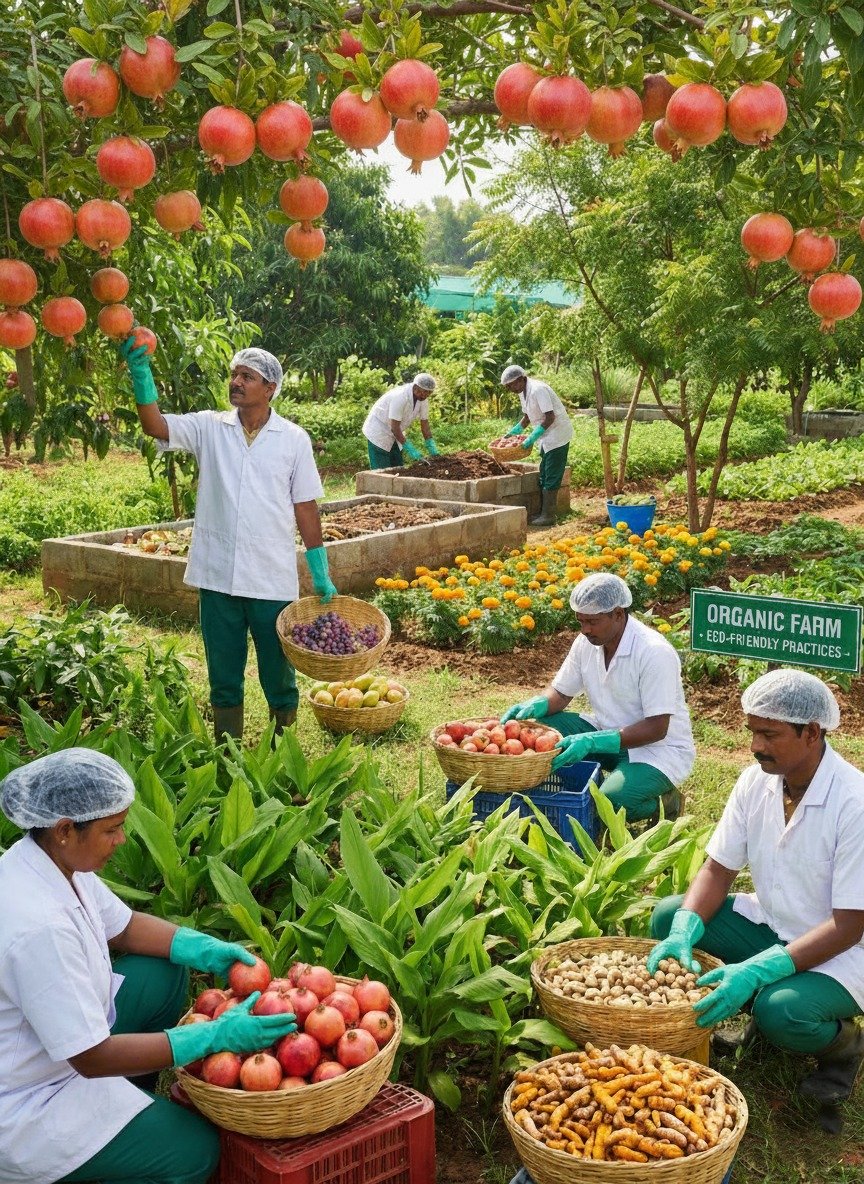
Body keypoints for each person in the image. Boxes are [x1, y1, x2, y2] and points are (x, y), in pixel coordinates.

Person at [0, 749, 298, 1184]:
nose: (122, 839)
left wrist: (199, 946)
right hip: (29, 1099)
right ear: (65, 829)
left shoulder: (52, 860)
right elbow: (90, 1057)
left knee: (165, 970)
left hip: (54, 1048)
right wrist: (211, 1036)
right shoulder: (38, 928)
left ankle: (128, 1105)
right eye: (112, 829)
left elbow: (122, 927)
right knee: (193, 1151)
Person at [647, 669, 864, 1131]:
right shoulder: (756, 782)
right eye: (752, 731)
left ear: (812, 732)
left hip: (842, 950)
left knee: (780, 1010)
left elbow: (849, 925)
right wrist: (685, 928)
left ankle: (843, 1045)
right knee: (669, 916)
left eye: (769, 734)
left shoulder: (854, 803)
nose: (755, 745)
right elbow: (718, 868)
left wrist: (757, 970)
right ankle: (749, 1009)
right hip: (774, 923)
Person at [119, 339, 336, 743]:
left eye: (247, 376)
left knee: (278, 669)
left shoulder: (292, 439)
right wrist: (141, 374)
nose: (236, 381)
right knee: (223, 671)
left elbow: (305, 506)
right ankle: (227, 749)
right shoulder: (209, 427)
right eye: (234, 374)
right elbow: (156, 426)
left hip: (270, 577)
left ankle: (282, 748)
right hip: (217, 574)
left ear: (270, 388)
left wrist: (319, 568)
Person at [501, 573, 694, 822]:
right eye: (580, 621)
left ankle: (666, 802)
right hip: (605, 730)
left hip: (656, 750)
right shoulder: (588, 642)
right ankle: (588, 784)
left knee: (611, 802)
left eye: (592, 621)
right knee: (542, 732)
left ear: (618, 614)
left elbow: (657, 728)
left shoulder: (654, 652)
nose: (585, 630)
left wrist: (593, 741)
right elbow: (561, 693)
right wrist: (539, 703)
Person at [500, 365, 573, 526]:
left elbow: (550, 417)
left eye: (511, 385)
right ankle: (544, 513)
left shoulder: (538, 389)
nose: (510, 389)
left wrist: (532, 437)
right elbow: (527, 417)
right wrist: (514, 432)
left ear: (521, 379)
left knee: (551, 474)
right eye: (507, 387)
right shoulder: (523, 392)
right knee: (544, 472)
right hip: (546, 437)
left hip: (557, 435)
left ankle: (548, 516)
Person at [362, 373, 439, 469]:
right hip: (379, 432)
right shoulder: (400, 396)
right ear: (416, 387)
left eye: (429, 393)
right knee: (382, 471)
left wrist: (432, 448)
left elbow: (425, 425)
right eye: (423, 392)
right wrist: (411, 450)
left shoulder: (423, 399)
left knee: (398, 468)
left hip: (396, 433)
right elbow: (394, 428)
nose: (425, 395)